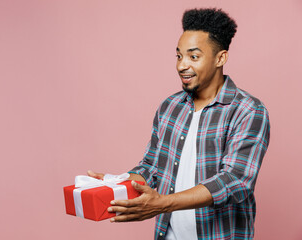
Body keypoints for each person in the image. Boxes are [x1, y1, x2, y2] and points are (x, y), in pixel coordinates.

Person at [88, 8, 270, 240]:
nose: (182, 65)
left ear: (220, 58)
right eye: (179, 56)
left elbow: (234, 181)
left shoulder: (247, 110)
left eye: (193, 57)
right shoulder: (170, 106)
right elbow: (152, 168)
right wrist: (115, 183)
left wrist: (163, 203)